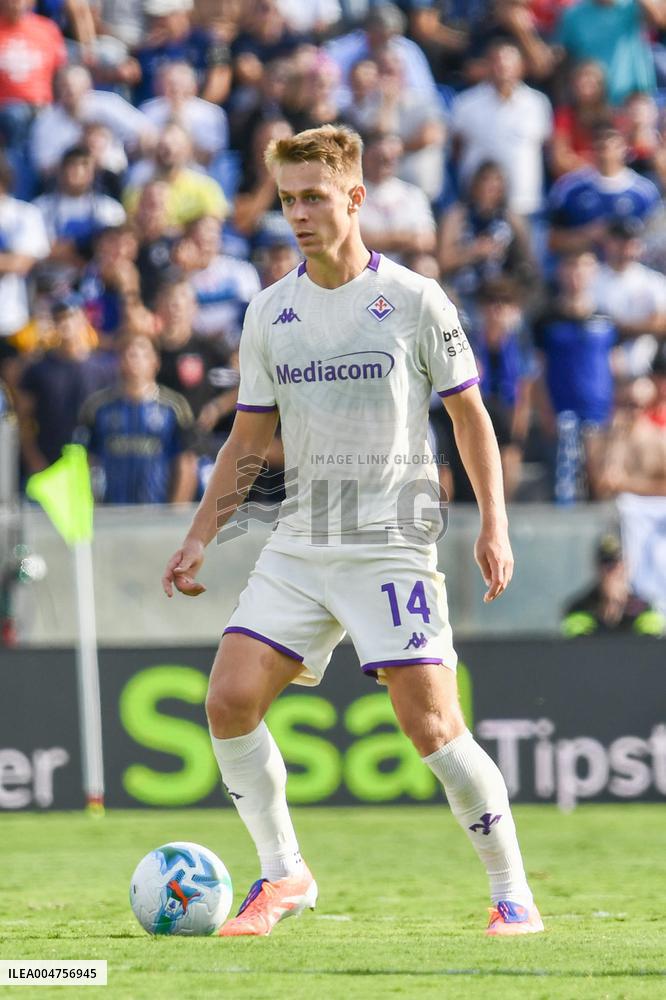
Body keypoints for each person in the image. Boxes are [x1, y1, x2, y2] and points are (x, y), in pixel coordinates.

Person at [162, 124, 544, 938]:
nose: (298, 214)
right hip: (302, 539)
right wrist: (201, 535)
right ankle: (283, 874)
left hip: (391, 540)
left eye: (313, 197)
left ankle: (513, 893)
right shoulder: (271, 310)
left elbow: (470, 418)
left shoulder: (413, 300)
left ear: (355, 196)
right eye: (288, 199)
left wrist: (493, 524)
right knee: (228, 701)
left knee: (432, 728)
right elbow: (247, 440)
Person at [78, 332, 197, 503]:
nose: (134, 360)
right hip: (110, 514)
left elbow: (186, 463)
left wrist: (176, 512)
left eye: (142, 354)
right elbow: (86, 461)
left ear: (155, 361)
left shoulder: (174, 407)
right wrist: (92, 506)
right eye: (129, 354)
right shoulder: (97, 407)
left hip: (157, 513)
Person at [450, 39, 552, 219]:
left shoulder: (538, 103)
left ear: (522, 66)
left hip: (524, 203)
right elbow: (456, 148)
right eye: (497, 62)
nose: (503, 68)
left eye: (509, 63)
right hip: (477, 207)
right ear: (488, 66)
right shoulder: (466, 103)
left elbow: (545, 146)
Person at [561, 533, 664, 636]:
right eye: (606, 564)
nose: (611, 572)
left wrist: (617, 605)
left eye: (616, 564)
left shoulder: (644, 609)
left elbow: (649, 645)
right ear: (597, 568)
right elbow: (578, 645)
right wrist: (608, 606)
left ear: (626, 567)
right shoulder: (580, 608)